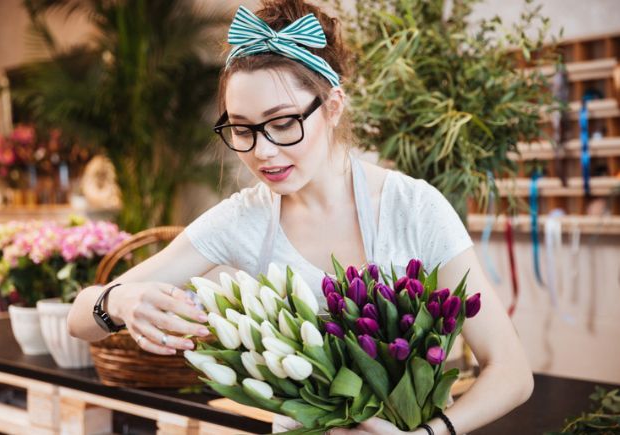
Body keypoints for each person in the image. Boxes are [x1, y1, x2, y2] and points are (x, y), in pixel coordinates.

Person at [67, 1, 534, 433]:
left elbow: (511, 373)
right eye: (242, 128)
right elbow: (77, 317)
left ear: (332, 106)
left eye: (283, 122)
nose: (263, 152)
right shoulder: (243, 219)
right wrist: (120, 301)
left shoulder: (413, 209)